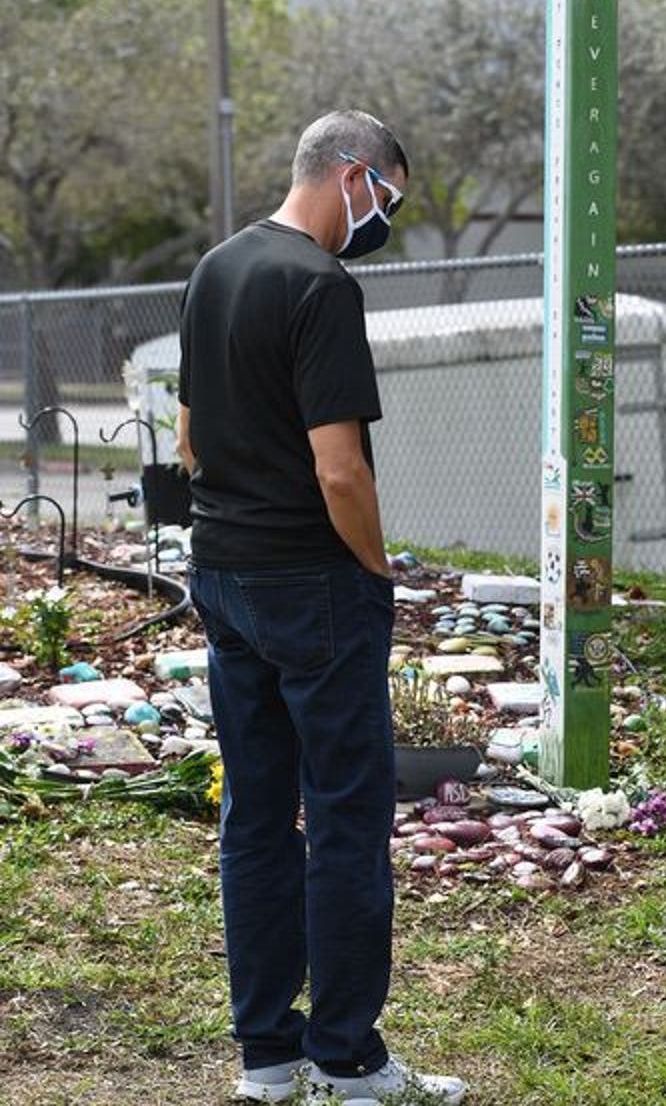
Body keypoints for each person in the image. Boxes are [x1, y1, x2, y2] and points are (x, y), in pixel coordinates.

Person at [177, 110, 465, 1106]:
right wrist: (378, 573)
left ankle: (267, 1056)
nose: (381, 216)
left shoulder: (215, 269)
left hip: (221, 570)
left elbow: (187, 439)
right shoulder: (320, 286)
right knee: (344, 816)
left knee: (256, 815)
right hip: (311, 580)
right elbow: (338, 470)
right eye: (387, 195)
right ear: (353, 176)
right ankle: (348, 1059)